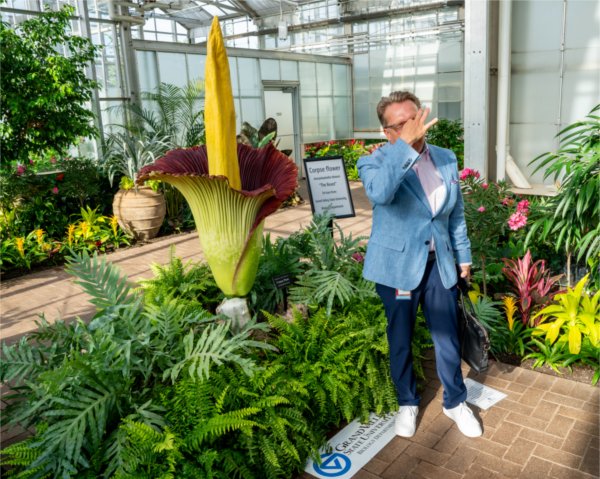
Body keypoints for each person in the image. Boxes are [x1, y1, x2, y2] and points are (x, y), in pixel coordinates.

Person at [357, 91, 482, 438]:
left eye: (414, 119)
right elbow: (381, 194)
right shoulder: (375, 162)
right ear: (386, 132)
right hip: (397, 268)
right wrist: (404, 150)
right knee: (400, 337)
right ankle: (407, 402)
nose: (411, 128)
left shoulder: (445, 158)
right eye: (399, 124)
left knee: (447, 337)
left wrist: (464, 256)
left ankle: (455, 401)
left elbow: (454, 213)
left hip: (438, 263)